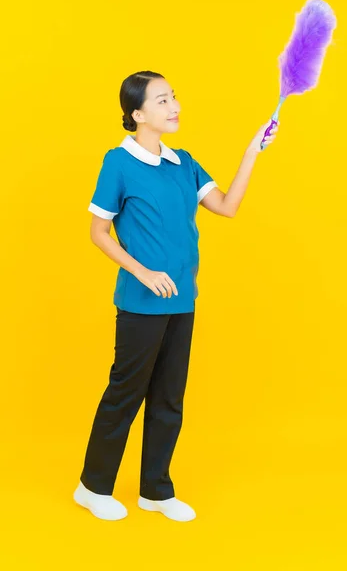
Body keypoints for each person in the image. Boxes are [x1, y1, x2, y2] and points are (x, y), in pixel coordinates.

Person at [73, 71, 279, 522]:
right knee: (125, 394)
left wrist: (251, 153)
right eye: (162, 100)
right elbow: (98, 231)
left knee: (169, 396)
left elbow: (226, 206)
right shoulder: (118, 162)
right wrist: (143, 272)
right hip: (140, 304)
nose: (174, 105)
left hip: (183, 300)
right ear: (138, 114)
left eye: (174, 97)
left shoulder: (183, 162)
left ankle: (156, 491)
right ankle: (92, 487)